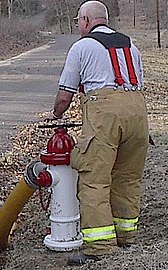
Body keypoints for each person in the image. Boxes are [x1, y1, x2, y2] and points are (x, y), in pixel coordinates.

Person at [49, 0, 149, 266]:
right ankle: (126, 236)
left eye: (78, 22)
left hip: (105, 115)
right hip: (139, 113)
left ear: (84, 20)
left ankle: (100, 248)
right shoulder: (132, 46)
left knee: (94, 179)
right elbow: (137, 82)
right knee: (127, 178)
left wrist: (56, 115)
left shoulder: (81, 47)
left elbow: (64, 95)